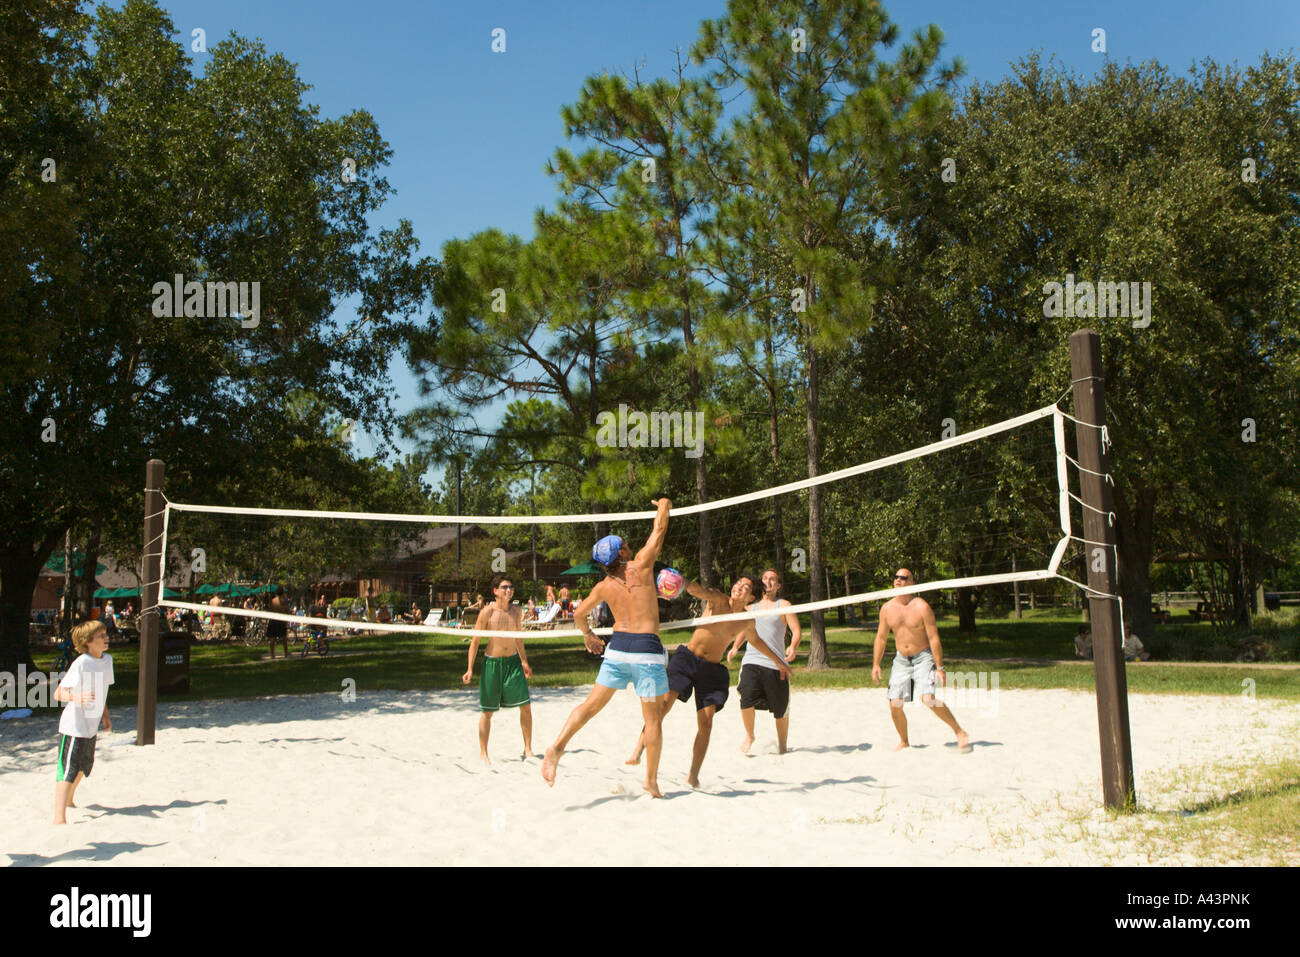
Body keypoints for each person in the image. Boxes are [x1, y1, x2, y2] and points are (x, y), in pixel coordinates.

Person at [542, 498, 673, 797]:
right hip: (646, 650)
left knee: (589, 707)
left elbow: (577, 614)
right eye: (626, 544)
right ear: (623, 552)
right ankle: (651, 781)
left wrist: (588, 635)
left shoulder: (603, 586)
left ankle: (557, 747)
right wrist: (663, 505)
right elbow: (660, 528)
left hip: (617, 648)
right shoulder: (641, 565)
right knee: (652, 721)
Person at [629, 574, 790, 787]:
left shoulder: (746, 619)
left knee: (706, 723)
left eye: (745, 587)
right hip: (687, 658)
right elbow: (698, 590)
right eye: (737, 582)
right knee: (664, 705)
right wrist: (682, 582)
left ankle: (693, 775)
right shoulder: (717, 599)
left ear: (751, 597)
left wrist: (779, 661)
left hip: (712, 670)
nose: (739, 587)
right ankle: (639, 749)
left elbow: (757, 641)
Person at [872, 568, 971, 752]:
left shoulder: (921, 607)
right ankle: (904, 741)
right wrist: (876, 664)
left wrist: (940, 666)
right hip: (902, 660)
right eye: (896, 577)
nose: (898, 580)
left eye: (904, 577)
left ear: (912, 582)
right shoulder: (887, 609)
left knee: (928, 699)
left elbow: (934, 638)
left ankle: (959, 732)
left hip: (923, 657)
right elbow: (881, 638)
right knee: (895, 704)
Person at [728, 567, 802, 755]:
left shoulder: (784, 605)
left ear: (778, 585)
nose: (768, 581)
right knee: (746, 696)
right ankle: (749, 735)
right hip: (752, 660)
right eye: (765, 578)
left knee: (781, 708)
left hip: (775, 663)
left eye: (772, 579)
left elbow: (796, 631)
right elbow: (746, 632)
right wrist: (736, 647)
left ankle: (783, 746)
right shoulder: (751, 608)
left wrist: (792, 646)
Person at [463, 574, 533, 763]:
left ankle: (528, 749)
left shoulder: (517, 611)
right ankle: (483, 753)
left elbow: (519, 638)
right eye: (504, 587)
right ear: (495, 591)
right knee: (487, 712)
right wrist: (470, 668)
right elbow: (475, 641)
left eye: (510, 587)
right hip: (492, 664)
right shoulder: (487, 612)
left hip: (513, 662)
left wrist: (524, 661)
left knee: (525, 706)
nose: (508, 590)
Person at [53, 620, 114, 824]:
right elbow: (58, 693)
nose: (106, 638)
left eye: (106, 634)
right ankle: (58, 817)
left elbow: (102, 690)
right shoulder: (81, 663)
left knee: (84, 766)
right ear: (88, 642)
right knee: (68, 769)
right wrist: (76, 697)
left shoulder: (107, 661)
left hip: (90, 726)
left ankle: (70, 800)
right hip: (73, 726)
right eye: (101, 636)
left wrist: (105, 716)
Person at [266, 586, 290, 658]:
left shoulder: (272, 601)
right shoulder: (284, 601)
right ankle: (286, 653)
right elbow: (287, 610)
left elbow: (269, 610)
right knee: (284, 638)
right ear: (283, 593)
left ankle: (272, 654)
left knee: (272, 638)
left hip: (273, 620)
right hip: (281, 621)